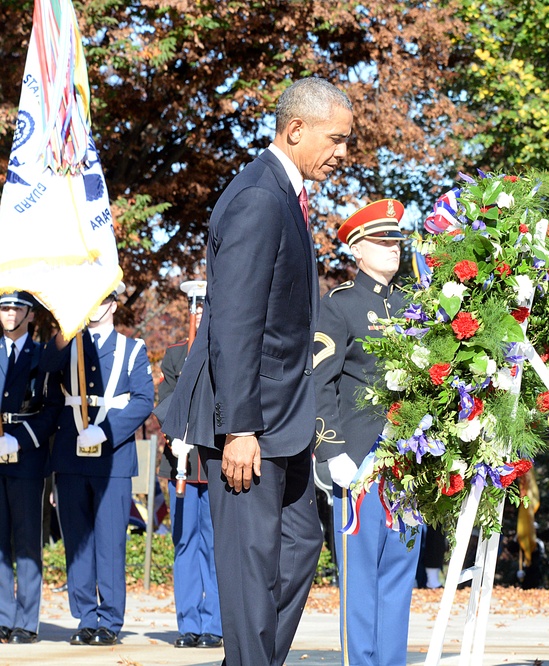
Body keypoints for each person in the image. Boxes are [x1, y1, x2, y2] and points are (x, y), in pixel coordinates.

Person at [161, 77, 353, 666]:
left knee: (300, 543)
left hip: (283, 421)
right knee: (250, 568)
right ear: (296, 130)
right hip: (251, 424)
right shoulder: (258, 199)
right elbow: (236, 325)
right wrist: (239, 427)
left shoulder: (282, 194)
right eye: (337, 139)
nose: (344, 154)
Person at [313, 199, 423, 665]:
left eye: (396, 240)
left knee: (400, 574)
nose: (394, 249)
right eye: (382, 241)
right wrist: (329, 448)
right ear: (357, 250)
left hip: (411, 460)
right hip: (358, 461)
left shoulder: (416, 306)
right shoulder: (339, 306)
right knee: (359, 579)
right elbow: (319, 382)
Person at [41, 282, 156, 646]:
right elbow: (43, 369)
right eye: (89, 299)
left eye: (102, 298)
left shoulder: (131, 348)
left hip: (113, 457)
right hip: (71, 455)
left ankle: (109, 621)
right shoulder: (69, 343)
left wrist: (106, 432)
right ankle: (85, 617)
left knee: (109, 542)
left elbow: (143, 400)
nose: (96, 306)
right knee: (77, 541)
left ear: (113, 303)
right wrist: (65, 325)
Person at [156, 280, 223, 649]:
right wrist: (174, 432)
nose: (198, 313)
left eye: (203, 306)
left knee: (214, 546)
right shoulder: (175, 355)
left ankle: (214, 624)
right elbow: (167, 398)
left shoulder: (223, 351)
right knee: (184, 544)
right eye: (193, 307)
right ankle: (188, 625)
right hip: (180, 461)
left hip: (212, 461)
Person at [0, 291, 58, 644]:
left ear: (30, 315)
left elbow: (51, 409)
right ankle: (3, 616)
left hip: (27, 455)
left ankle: (26, 620)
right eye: (4, 307)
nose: (8, 313)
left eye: (16, 307)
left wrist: (20, 439)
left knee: (26, 540)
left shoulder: (42, 356)